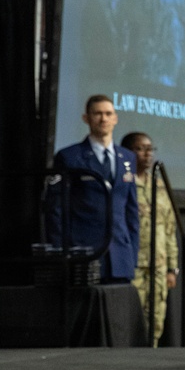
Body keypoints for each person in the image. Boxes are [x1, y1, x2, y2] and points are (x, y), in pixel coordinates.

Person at [46, 95, 139, 283]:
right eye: (97, 114)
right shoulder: (70, 156)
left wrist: (132, 253)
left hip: (120, 256)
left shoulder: (127, 157)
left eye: (108, 114)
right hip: (83, 253)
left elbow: (131, 210)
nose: (103, 119)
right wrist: (61, 250)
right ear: (86, 118)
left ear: (115, 118)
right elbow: (56, 208)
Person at [121, 131, 179, 346]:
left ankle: (150, 357)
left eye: (150, 149)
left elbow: (169, 228)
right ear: (127, 152)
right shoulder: (123, 183)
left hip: (158, 265)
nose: (147, 154)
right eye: (140, 149)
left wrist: (172, 268)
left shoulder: (160, 185)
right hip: (133, 265)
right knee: (130, 320)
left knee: (155, 322)